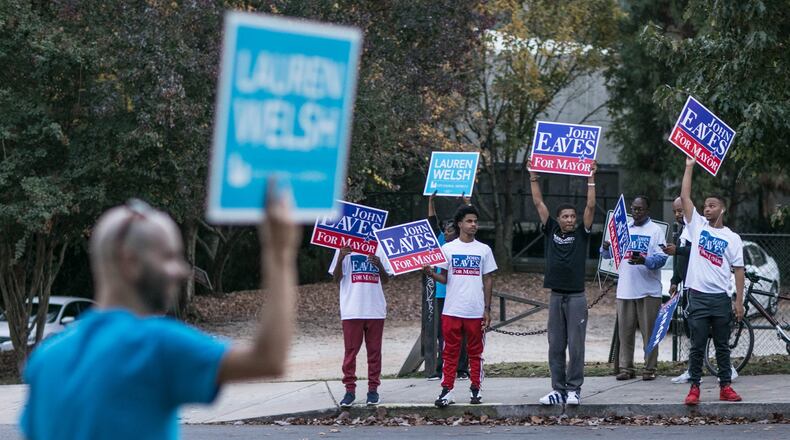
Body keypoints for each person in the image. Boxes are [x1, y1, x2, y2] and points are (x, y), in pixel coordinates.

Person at [21, 188, 300, 440]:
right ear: (130, 262)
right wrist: (280, 251)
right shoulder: (154, 345)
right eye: (168, 257)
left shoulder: (46, 359)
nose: (181, 270)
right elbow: (268, 359)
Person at [529, 160, 597, 406]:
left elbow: (590, 205)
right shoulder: (551, 231)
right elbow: (538, 203)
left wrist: (591, 177)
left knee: (576, 347)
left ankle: (573, 390)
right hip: (556, 296)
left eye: (572, 216)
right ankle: (557, 389)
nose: (570, 219)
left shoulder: (582, 234)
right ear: (557, 219)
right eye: (565, 216)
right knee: (555, 346)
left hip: (577, 297)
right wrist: (533, 177)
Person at [679, 156, 745, 405]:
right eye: (705, 205)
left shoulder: (732, 238)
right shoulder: (697, 227)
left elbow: (739, 270)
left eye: (712, 205)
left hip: (720, 298)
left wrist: (738, 302)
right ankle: (694, 388)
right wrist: (689, 167)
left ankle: (725, 386)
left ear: (722, 209)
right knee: (697, 346)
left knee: (722, 346)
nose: (707, 208)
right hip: (698, 296)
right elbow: (685, 198)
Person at [423, 204, 497, 407]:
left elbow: (488, 278)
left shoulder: (484, 250)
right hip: (452, 309)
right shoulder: (448, 248)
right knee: (449, 352)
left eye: (475, 221)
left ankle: (476, 389)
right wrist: (431, 274)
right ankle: (447, 390)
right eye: (469, 221)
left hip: (475, 311)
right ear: (460, 224)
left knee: (476, 352)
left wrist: (487, 309)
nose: (473, 225)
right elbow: (444, 278)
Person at [667, 197, 739, 384]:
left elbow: (693, 252)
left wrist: (738, 301)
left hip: (715, 294)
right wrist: (675, 280)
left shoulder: (702, 228)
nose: (678, 214)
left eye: (681, 210)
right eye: (676, 211)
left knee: (719, 340)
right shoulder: (689, 230)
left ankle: (727, 372)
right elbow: (682, 262)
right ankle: (694, 376)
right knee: (695, 338)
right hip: (694, 290)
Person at [601, 196, 668, 381]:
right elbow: (608, 256)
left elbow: (662, 259)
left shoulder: (655, 231)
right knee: (625, 332)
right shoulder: (623, 229)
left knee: (649, 333)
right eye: (634, 208)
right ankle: (626, 368)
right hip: (625, 289)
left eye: (640, 209)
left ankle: (649, 368)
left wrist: (645, 261)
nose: (636, 212)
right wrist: (605, 248)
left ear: (647, 211)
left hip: (649, 290)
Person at [329, 241, 394, 407]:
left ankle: (373, 390)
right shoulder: (343, 247)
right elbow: (336, 279)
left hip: (375, 309)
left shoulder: (380, 246)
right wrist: (341, 257)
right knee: (351, 352)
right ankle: (349, 391)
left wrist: (379, 264)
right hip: (352, 309)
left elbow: (386, 280)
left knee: (374, 352)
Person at [426, 193, 468, 381]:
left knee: (463, 332)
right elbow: (431, 221)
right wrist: (431, 201)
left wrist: (466, 203)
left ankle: (461, 369)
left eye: (452, 228)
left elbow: (468, 221)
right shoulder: (440, 240)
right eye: (446, 229)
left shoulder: (463, 243)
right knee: (442, 334)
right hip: (443, 294)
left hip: (460, 293)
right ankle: (440, 368)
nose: (449, 231)